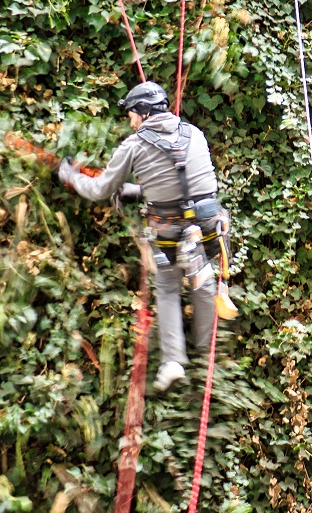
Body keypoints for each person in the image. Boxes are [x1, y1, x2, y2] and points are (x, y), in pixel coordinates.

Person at [58, 81, 225, 392]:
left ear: (141, 113)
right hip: (206, 225)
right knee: (202, 282)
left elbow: (99, 190)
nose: (130, 121)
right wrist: (138, 190)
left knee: (168, 287)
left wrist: (71, 176)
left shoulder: (134, 146)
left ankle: (174, 360)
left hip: (168, 228)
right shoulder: (194, 134)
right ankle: (205, 355)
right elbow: (185, 181)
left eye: (131, 114)